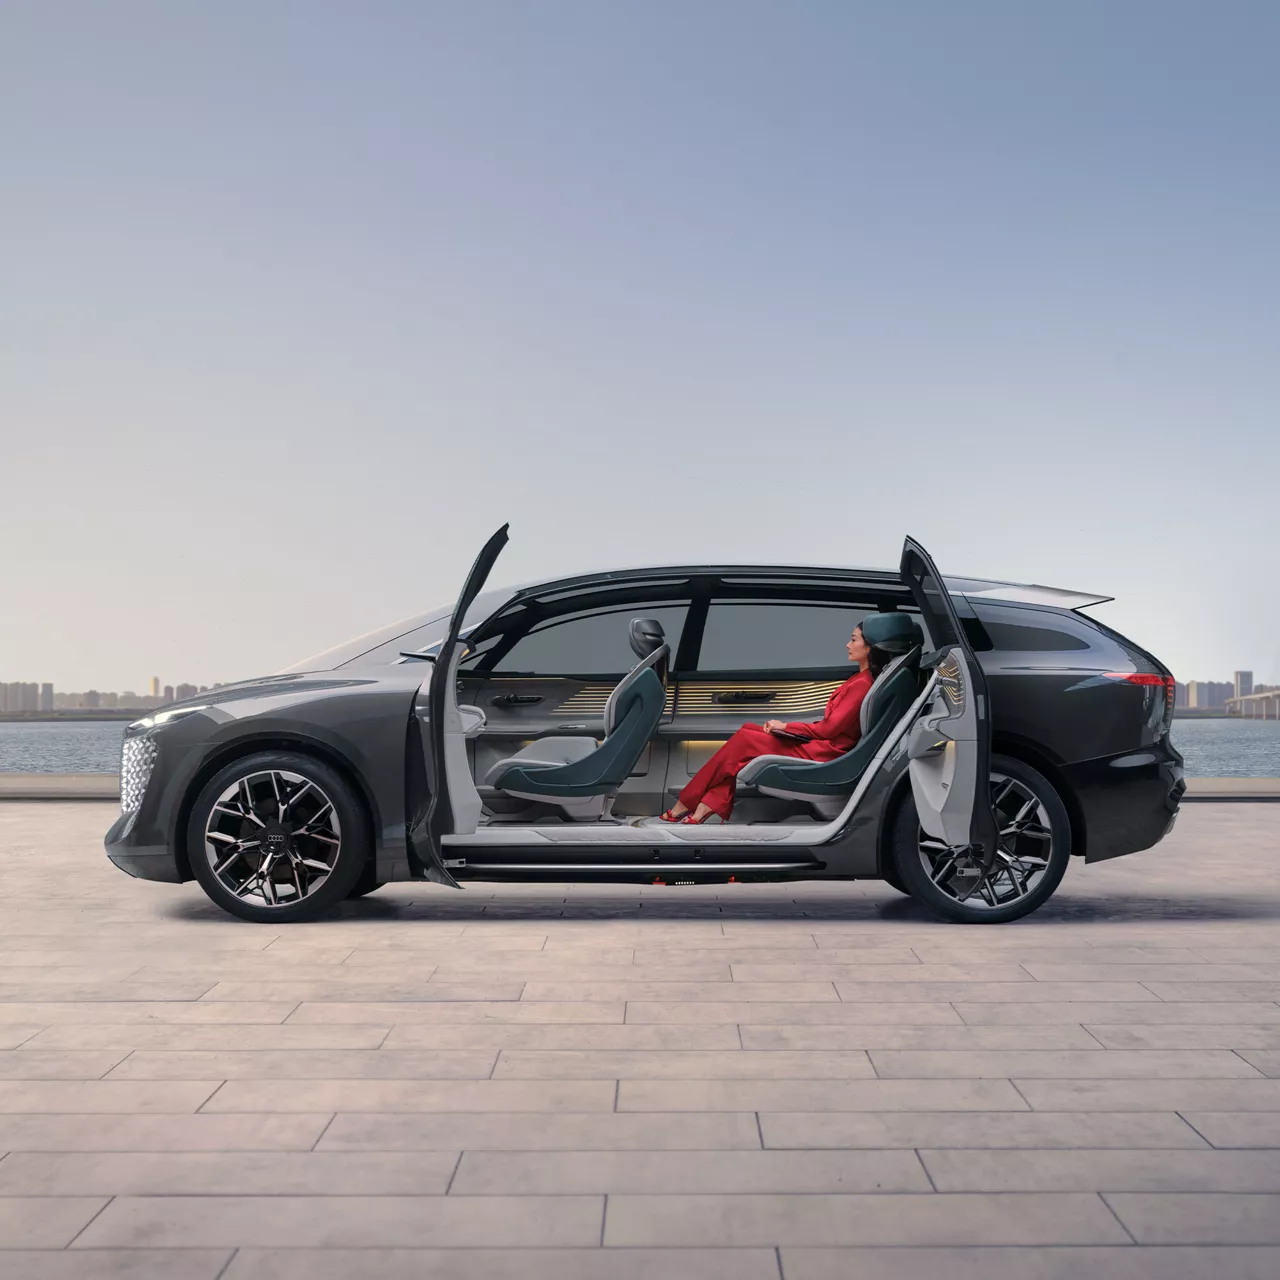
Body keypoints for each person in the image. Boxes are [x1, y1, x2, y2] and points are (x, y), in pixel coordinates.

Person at [661, 622, 893, 824]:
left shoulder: (862, 684)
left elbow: (830, 729)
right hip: (825, 745)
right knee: (747, 730)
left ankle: (687, 802)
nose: (847, 645)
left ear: (870, 647)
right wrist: (786, 729)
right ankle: (710, 803)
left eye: (853, 640)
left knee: (744, 740)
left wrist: (786, 727)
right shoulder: (859, 679)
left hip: (827, 753)